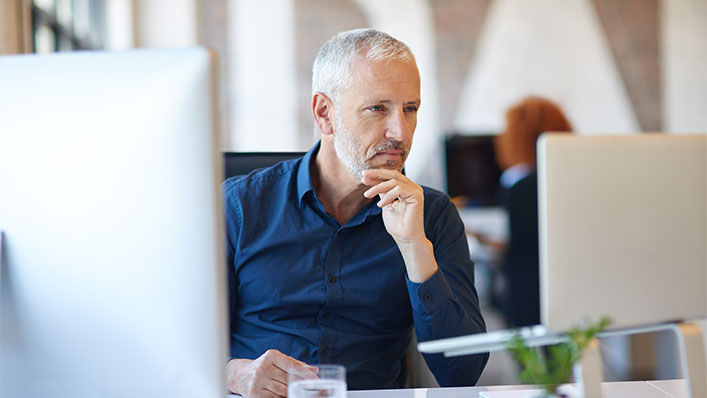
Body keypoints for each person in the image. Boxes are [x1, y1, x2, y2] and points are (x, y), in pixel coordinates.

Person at [223, 28, 488, 397]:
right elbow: (177, 346)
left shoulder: (433, 216)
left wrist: (415, 248)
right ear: (324, 113)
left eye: (410, 109)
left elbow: (462, 374)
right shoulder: (239, 206)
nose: (400, 132)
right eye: (378, 108)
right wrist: (233, 375)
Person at [494, 96, 573, 327]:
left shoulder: (518, 186)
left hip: (528, 298)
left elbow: (515, 245)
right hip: (570, 292)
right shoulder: (572, 179)